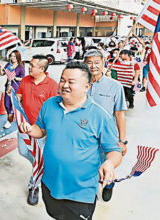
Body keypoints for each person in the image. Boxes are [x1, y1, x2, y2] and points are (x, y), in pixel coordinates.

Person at [20, 62, 122, 219]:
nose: (64, 85)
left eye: (71, 82)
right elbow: (41, 130)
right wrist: (29, 129)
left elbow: (114, 151)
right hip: (50, 185)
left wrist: (109, 164)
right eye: (62, 80)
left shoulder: (100, 116)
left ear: (86, 87)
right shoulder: (49, 105)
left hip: (80, 193)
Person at [84, 50, 127, 202]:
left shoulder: (115, 86)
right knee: (89, 168)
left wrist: (122, 141)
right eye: (89, 62)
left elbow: (119, 114)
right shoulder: (80, 84)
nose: (93, 66)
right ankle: (90, 193)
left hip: (107, 137)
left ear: (104, 63)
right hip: (84, 136)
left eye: (97, 62)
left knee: (107, 165)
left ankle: (108, 185)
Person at [16, 55, 58, 205]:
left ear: (42, 69)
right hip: (24, 126)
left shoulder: (52, 85)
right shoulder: (26, 80)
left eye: (32, 65)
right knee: (23, 151)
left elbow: (55, 109)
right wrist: (15, 97)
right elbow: (19, 95)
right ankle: (41, 166)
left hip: (40, 130)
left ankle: (34, 186)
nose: (29, 67)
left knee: (38, 157)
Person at [0, 50, 25, 129]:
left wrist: (15, 78)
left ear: (18, 57)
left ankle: (10, 120)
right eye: (11, 56)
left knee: (15, 104)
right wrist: (0, 67)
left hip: (16, 88)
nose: (12, 58)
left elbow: (23, 78)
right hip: (8, 87)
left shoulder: (20, 67)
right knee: (7, 104)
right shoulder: (8, 65)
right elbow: (2, 74)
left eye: (14, 56)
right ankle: (10, 117)